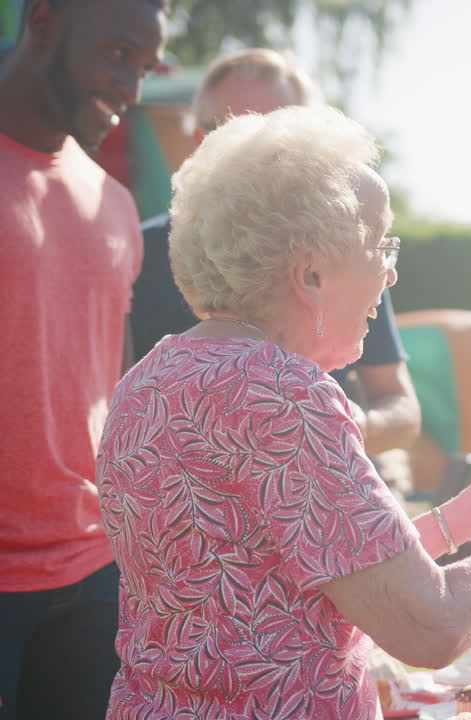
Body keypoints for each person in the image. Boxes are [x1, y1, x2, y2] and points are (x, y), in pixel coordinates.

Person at [95, 105, 471, 719]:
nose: (389, 271)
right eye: (379, 242)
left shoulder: (148, 380)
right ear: (309, 272)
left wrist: (470, 515)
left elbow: (308, 570)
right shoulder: (284, 393)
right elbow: (427, 627)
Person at [0, 0, 167, 718]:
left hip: (94, 575)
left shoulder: (114, 202)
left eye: (145, 64)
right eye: (117, 53)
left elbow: (119, 396)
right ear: (42, 20)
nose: (132, 88)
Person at [130, 48, 422, 459]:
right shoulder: (135, 255)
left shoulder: (349, 256)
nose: (267, 152)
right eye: (244, 130)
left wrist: (341, 428)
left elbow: (400, 405)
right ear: (201, 141)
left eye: (289, 134)